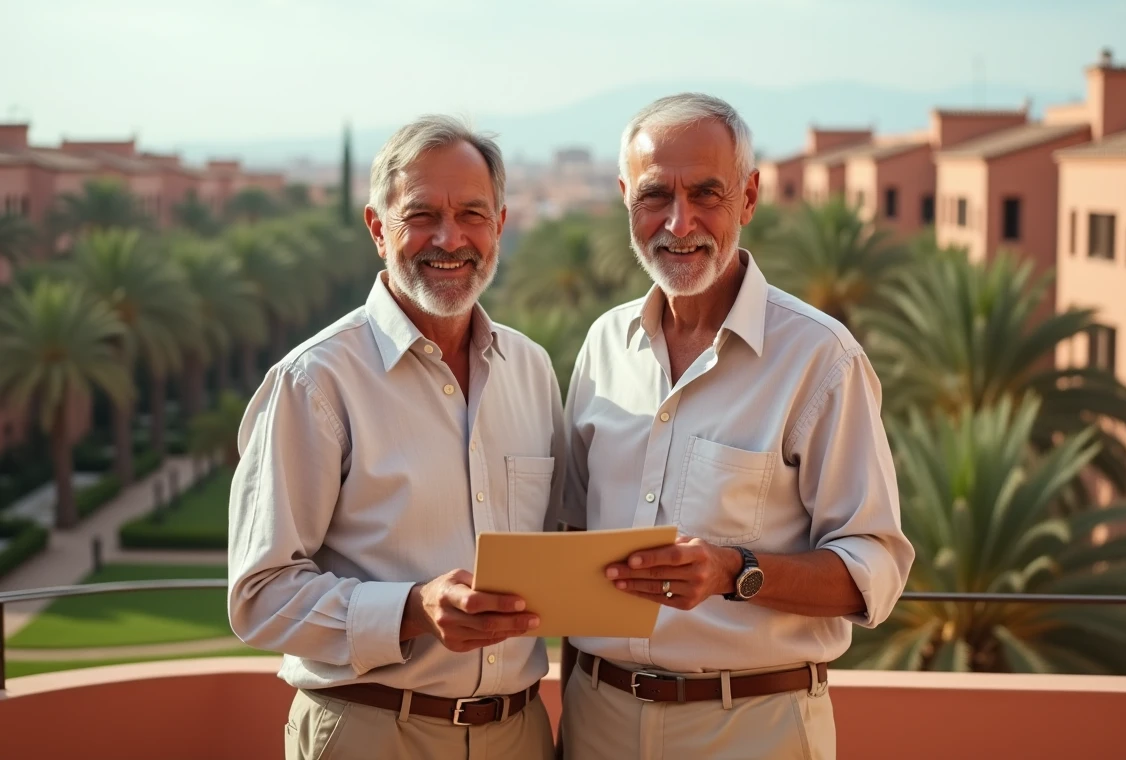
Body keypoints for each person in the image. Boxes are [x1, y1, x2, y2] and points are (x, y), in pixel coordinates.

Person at [556, 93, 914, 759]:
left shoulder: (819, 359)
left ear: (748, 199)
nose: (679, 221)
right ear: (625, 199)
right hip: (595, 724)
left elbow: (876, 568)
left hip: (752, 730)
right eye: (655, 195)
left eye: (707, 194)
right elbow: (573, 536)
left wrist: (733, 571)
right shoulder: (603, 346)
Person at [228, 115, 564, 760]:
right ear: (378, 228)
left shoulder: (532, 369)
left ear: (499, 225)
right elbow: (259, 596)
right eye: (422, 215)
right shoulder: (316, 380)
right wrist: (412, 609)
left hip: (520, 735)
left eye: (472, 213)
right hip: (373, 733)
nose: (450, 237)